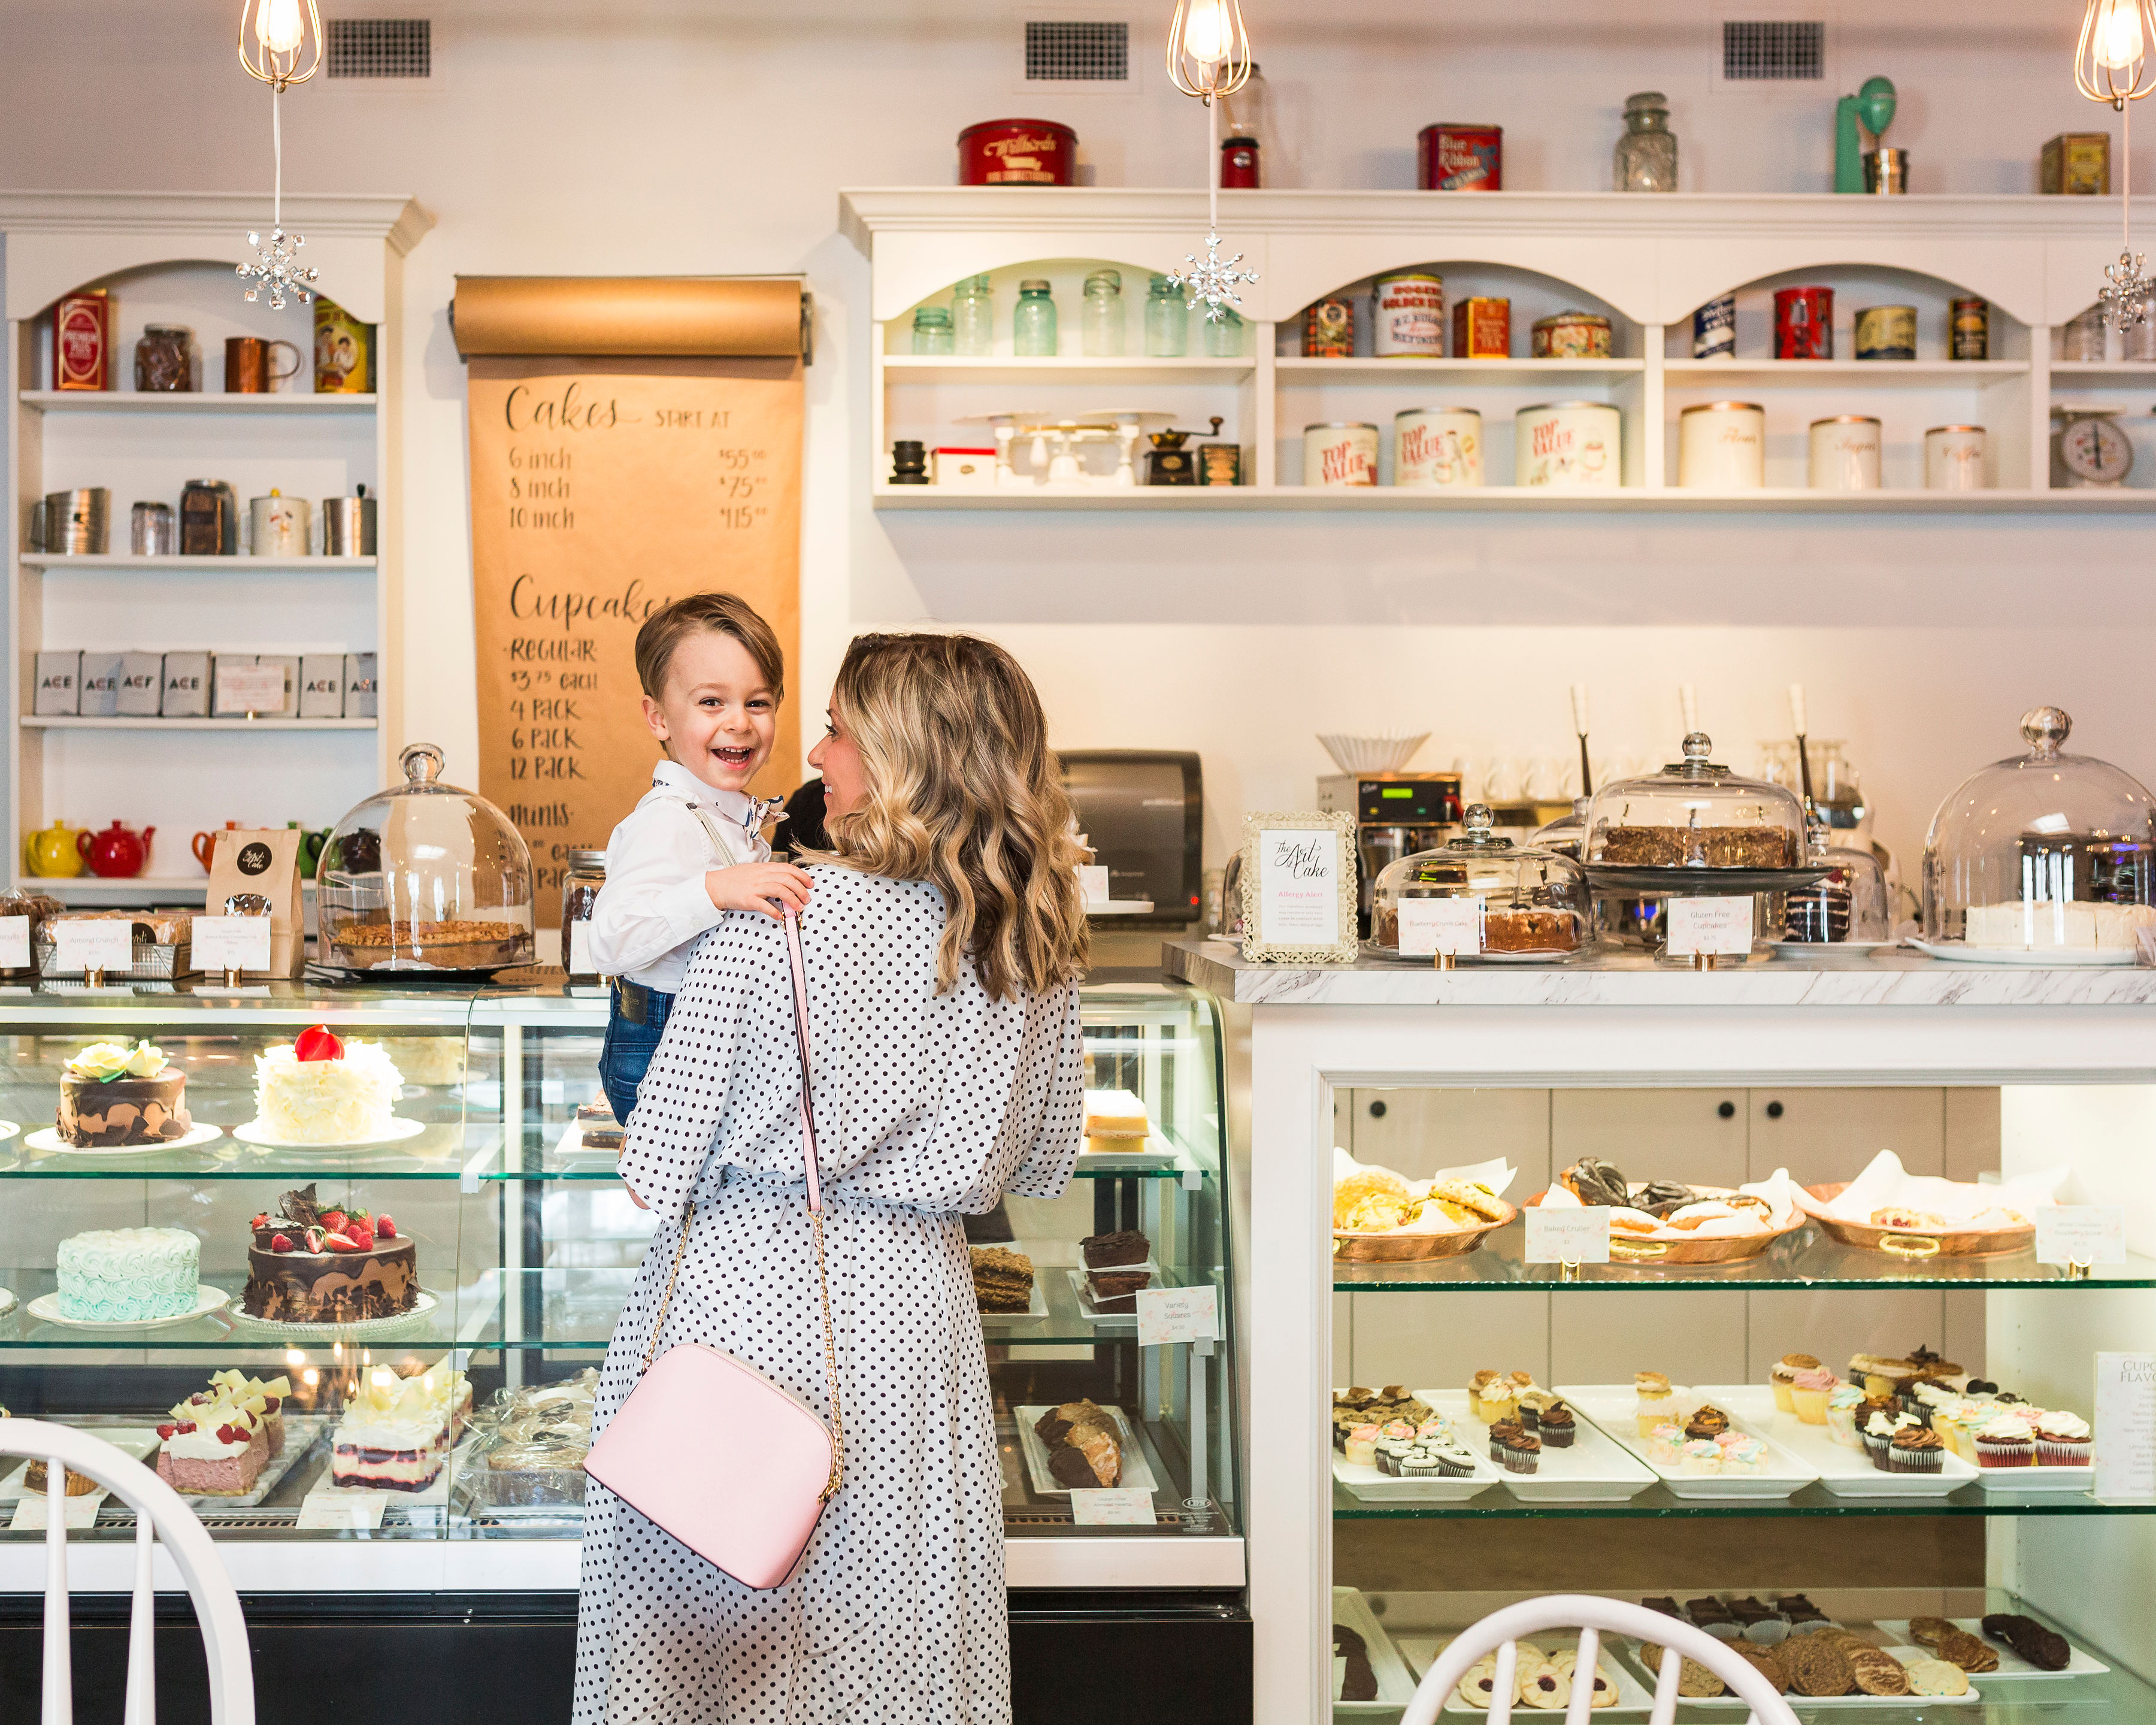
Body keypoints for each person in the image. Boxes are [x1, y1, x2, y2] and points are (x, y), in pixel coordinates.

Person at [574, 632, 1089, 1725]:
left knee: (712, 1642)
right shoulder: (1031, 936)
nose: (811, 751)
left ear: (906, 757)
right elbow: (1042, 1164)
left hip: (745, 1305)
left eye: (839, 729)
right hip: (914, 1315)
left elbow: (656, 1170)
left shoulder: (778, 924)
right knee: (894, 1629)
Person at [585, 592, 813, 1124]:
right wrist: (715, 890)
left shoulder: (725, 814)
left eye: (758, 703)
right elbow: (609, 939)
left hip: (713, 1043)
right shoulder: (668, 820)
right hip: (660, 1050)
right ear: (658, 718)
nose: (739, 722)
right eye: (712, 702)